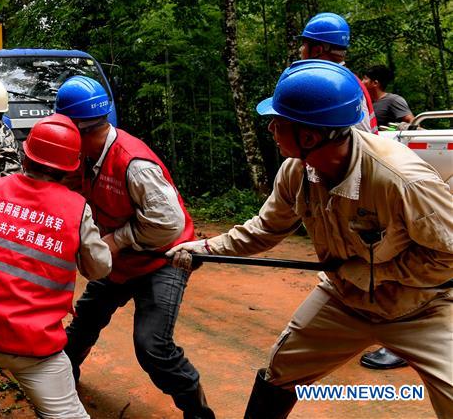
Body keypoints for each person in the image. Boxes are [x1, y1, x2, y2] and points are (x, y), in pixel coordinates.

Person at [169, 60, 453, 418]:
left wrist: (367, 271)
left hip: (420, 308)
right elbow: (266, 228)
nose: (271, 128)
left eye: (279, 121)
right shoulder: (297, 171)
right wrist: (205, 248)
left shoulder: (402, 181)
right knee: (280, 372)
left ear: (309, 136)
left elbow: (448, 256)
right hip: (342, 300)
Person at [55, 76, 216, 419]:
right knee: (86, 319)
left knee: (152, 347)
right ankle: (61, 383)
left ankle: (199, 413)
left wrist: (117, 240)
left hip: (163, 259)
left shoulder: (133, 164)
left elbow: (168, 224)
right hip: (119, 258)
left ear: (76, 128)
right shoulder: (83, 157)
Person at [0, 114, 112, 419]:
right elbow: (99, 269)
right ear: (71, 166)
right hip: (29, 343)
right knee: (68, 414)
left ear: (26, 155)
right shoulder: (76, 209)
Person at [298, 13, 406, 370]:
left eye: (304, 44)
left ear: (319, 48)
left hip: (360, 181)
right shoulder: (344, 80)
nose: (300, 50)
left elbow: (349, 139)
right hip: (359, 178)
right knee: (364, 259)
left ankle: (400, 337)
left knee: (377, 259)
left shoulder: (333, 83)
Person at [298, 12, 378, 134]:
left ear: (317, 50)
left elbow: (360, 137)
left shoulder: (337, 85)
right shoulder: (347, 80)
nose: (300, 50)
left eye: (303, 45)